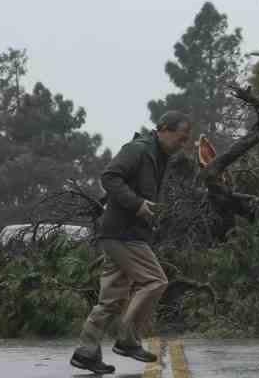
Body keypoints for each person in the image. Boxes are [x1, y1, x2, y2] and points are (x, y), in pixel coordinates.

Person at [70, 111, 192, 374]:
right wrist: (137, 205)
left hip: (125, 233)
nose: (182, 145)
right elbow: (109, 177)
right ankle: (127, 340)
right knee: (155, 281)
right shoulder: (137, 150)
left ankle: (86, 352)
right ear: (163, 129)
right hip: (123, 233)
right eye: (180, 138)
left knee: (111, 299)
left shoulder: (159, 157)